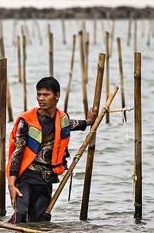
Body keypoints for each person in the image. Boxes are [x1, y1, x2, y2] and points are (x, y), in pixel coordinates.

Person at [7, 77, 96, 223]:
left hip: (46, 179)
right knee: (20, 215)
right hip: (26, 177)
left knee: (40, 221)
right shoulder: (26, 121)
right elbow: (17, 153)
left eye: (45, 95)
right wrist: (11, 184)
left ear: (57, 96)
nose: (41, 99)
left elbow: (73, 124)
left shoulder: (62, 119)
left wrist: (88, 122)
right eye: (39, 94)